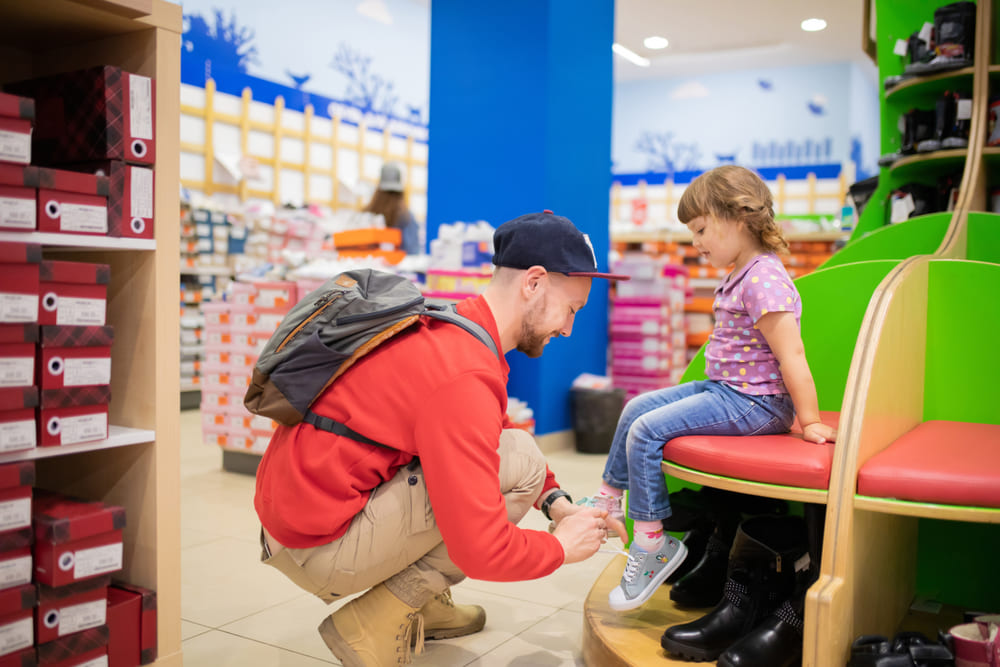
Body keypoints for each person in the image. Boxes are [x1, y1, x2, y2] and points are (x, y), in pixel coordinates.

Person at [254, 210, 629, 666]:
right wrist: (561, 548)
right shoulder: (464, 371)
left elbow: (491, 429)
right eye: (571, 309)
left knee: (520, 456)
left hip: (296, 520)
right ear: (533, 283)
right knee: (518, 467)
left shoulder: (452, 324)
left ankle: (423, 606)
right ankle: (374, 621)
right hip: (317, 548)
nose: (568, 329)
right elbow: (483, 550)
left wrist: (557, 503)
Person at [587, 165, 837, 613]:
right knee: (636, 406)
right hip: (727, 390)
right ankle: (607, 500)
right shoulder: (742, 271)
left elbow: (792, 355)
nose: (696, 243)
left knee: (646, 430)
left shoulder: (762, 277)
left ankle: (652, 545)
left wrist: (810, 419)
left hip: (755, 403)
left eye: (701, 230)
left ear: (739, 216)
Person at [364, 162, 421, 255]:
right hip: (398, 267)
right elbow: (412, 251)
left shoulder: (367, 213)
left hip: (369, 265)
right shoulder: (406, 217)